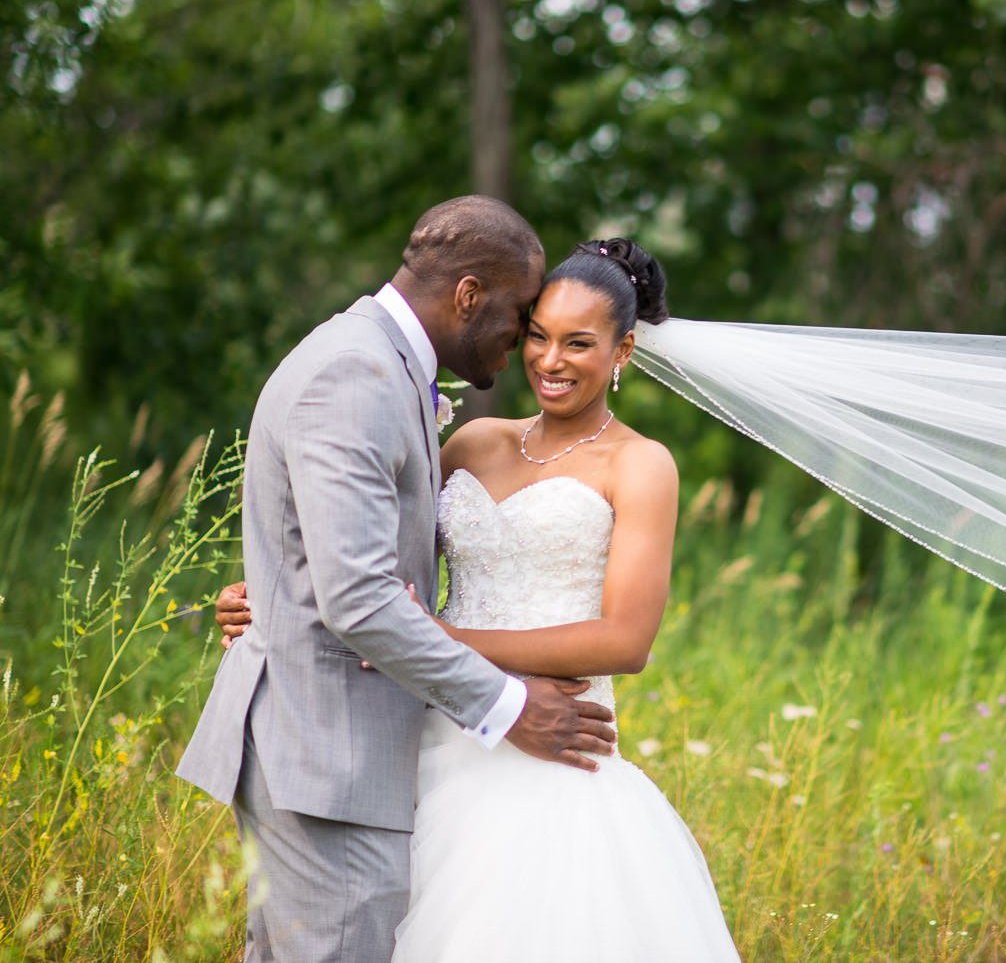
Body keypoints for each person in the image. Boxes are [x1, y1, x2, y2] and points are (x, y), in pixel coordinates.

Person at [212, 237, 742, 961]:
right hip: (424, 739)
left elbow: (626, 640)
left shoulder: (643, 465)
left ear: (622, 353)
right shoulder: (471, 441)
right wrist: (268, 598)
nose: (550, 362)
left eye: (579, 344)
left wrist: (449, 640)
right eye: (538, 336)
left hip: (551, 750)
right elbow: (363, 567)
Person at [178, 196, 619, 963]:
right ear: (469, 295)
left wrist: (276, 597)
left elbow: (330, 554)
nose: (524, 340)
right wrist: (510, 705)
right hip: (326, 752)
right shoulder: (357, 372)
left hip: (352, 747)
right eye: (520, 315)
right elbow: (357, 596)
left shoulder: (382, 364)